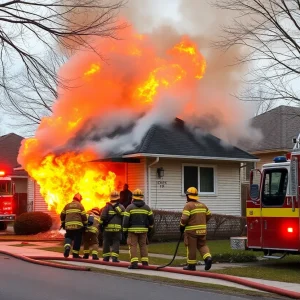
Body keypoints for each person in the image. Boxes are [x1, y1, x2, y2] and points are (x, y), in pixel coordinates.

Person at [180, 187, 212, 271]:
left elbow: (184, 219)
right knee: (202, 245)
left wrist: (181, 226)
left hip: (192, 231)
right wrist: (203, 222)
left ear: (188, 196)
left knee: (191, 247)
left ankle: (191, 266)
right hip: (202, 230)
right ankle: (208, 258)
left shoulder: (188, 205)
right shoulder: (203, 205)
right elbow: (209, 215)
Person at [123, 188, 154, 269]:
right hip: (144, 230)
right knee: (143, 246)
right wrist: (150, 227)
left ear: (133, 198)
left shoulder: (129, 207)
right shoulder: (147, 208)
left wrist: (124, 230)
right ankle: (145, 263)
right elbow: (151, 219)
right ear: (141, 197)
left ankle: (134, 264)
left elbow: (125, 221)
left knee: (133, 246)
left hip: (132, 231)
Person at [60, 193, 88, 258]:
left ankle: (67, 247)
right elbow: (84, 216)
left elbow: (62, 215)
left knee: (68, 237)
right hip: (78, 226)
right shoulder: (80, 205)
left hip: (68, 226)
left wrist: (63, 223)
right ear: (79, 199)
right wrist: (86, 224)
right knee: (77, 239)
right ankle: (75, 254)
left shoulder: (67, 205)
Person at [100, 190, 125, 262]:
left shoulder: (106, 207)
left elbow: (102, 217)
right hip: (117, 229)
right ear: (118, 198)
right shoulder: (121, 207)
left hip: (107, 229)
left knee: (106, 242)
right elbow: (124, 217)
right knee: (116, 242)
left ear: (110, 198)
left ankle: (106, 257)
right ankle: (114, 258)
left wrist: (101, 226)